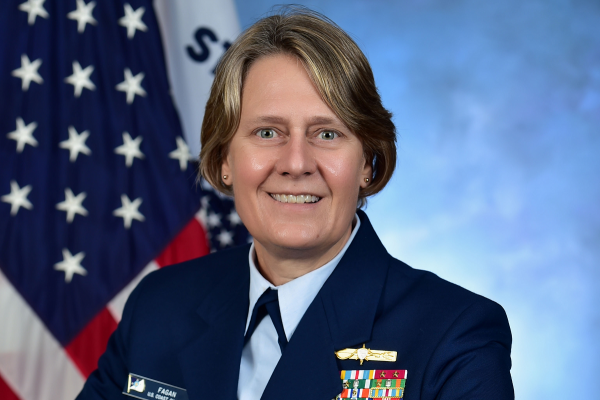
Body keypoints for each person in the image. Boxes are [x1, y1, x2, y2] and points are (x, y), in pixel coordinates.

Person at [77, 7, 513, 400]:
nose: (296, 163)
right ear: (225, 160)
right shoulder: (159, 305)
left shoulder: (454, 336)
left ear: (367, 162)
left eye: (328, 134)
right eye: (267, 132)